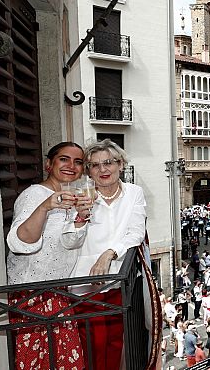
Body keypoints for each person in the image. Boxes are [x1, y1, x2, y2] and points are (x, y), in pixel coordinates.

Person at [63, 139, 147, 370]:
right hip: (85, 286)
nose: (103, 170)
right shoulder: (80, 195)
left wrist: (109, 253)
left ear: (121, 164)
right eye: (95, 165)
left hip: (117, 282)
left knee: (114, 343)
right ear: (88, 171)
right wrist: (79, 218)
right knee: (94, 347)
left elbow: (136, 233)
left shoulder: (134, 193)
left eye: (109, 162)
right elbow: (68, 241)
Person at [5, 142, 90, 370]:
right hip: (32, 295)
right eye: (64, 159)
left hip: (57, 294)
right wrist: (44, 207)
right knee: (39, 362)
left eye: (78, 161)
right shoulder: (34, 194)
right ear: (48, 164)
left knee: (63, 362)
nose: (71, 165)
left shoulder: (68, 197)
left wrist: (80, 220)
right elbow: (19, 243)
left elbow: (68, 243)